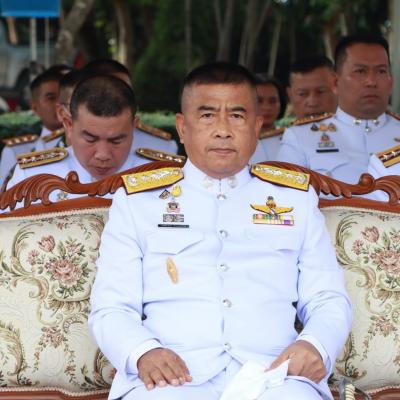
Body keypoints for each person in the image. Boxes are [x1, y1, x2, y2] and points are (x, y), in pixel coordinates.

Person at [89, 62, 352, 400]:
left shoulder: (295, 199)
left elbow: (327, 298)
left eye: (237, 116)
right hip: (173, 377)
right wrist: (143, 352)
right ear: (182, 127)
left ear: (257, 126)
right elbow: (111, 306)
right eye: (207, 115)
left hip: (273, 375)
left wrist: (313, 344)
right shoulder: (138, 201)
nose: (223, 130)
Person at [5, 74, 175, 202]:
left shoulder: (163, 176)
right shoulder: (32, 175)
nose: (103, 155)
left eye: (116, 141)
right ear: (68, 125)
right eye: (90, 139)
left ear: (134, 127)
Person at [276, 33, 400, 183]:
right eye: (360, 71)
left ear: (391, 81)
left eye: (381, 71)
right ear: (335, 82)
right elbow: (284, 194)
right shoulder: (300, 138)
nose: (371, 81)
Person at [83, 59, 179, 155]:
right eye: (109, 92)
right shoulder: (74, 142)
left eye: (126, 92)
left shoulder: (161, 146)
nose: (121, 98)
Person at [0, 68, 65, 186]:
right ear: (35, 107)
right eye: (51, 98)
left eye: (63, 97)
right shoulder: (17, 150)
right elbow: (5, 193)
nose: (59, 104)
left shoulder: (87, 144)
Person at [250, 75, 287, 163]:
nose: (266, 107)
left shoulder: (290, 139)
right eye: (259, 101)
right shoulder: (234, 139)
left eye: (272, 101)